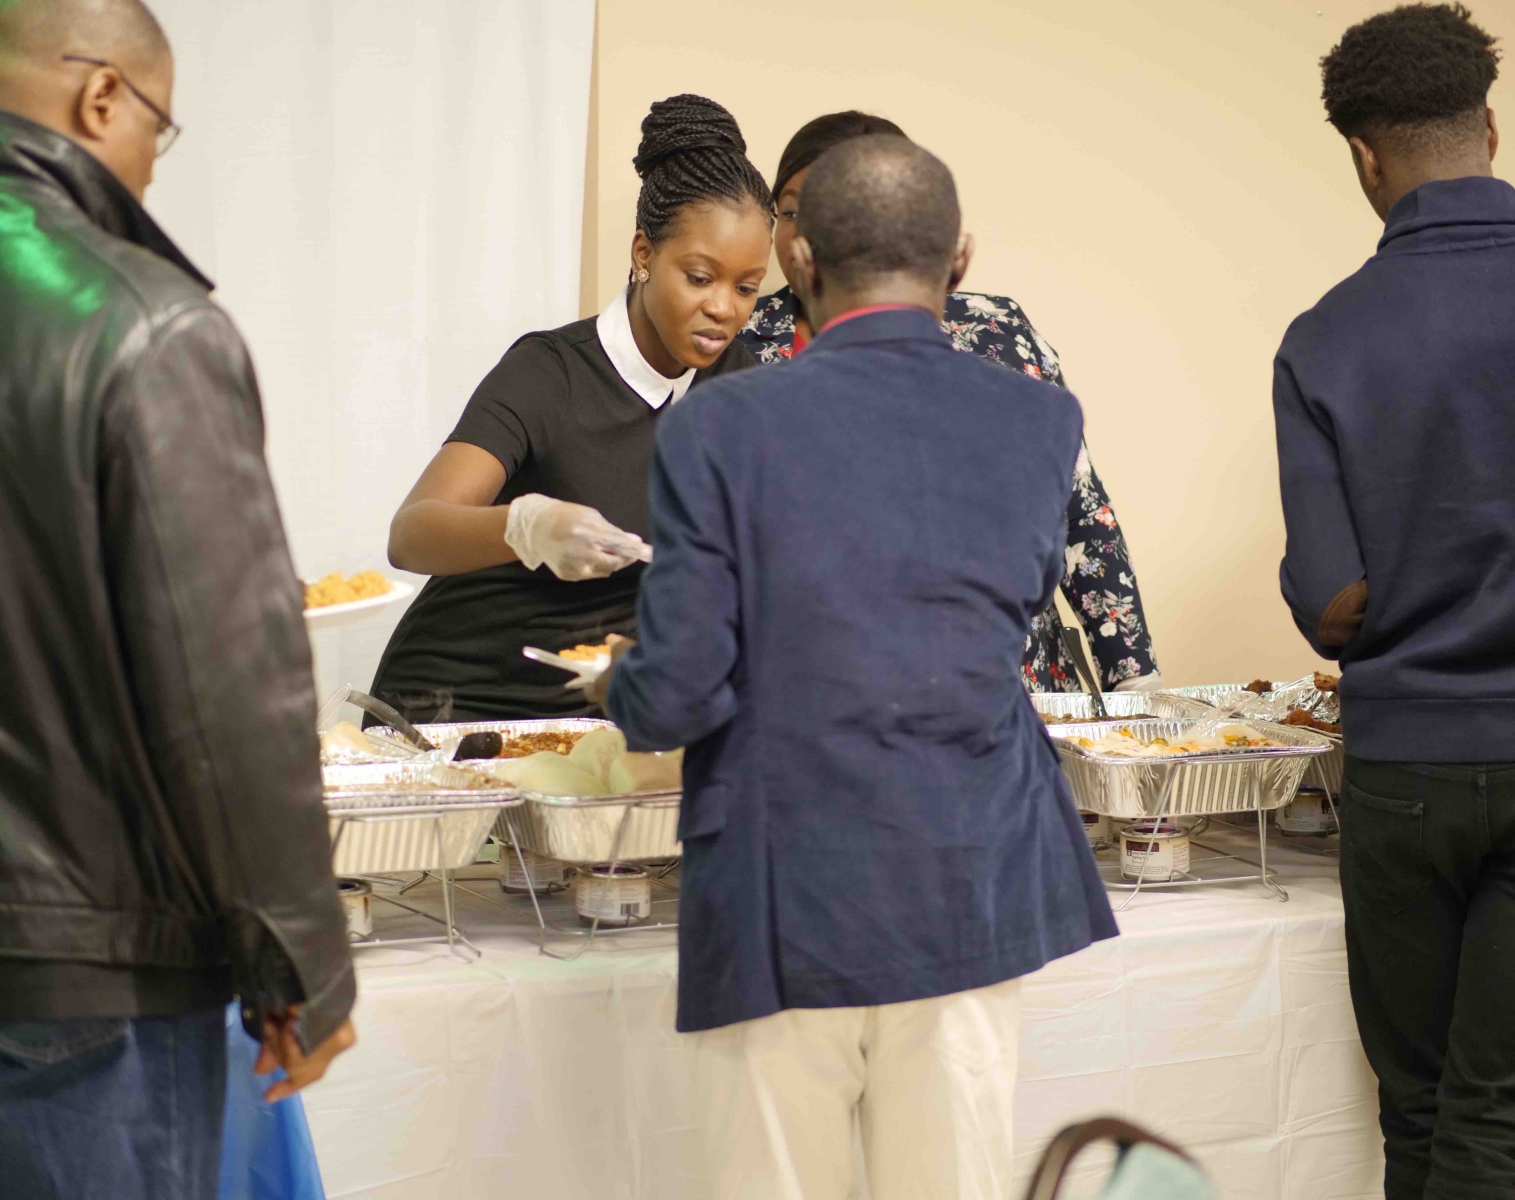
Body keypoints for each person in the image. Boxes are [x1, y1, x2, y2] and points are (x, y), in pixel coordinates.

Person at [591, 135, 1117, 1199]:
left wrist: (617, 683)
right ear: (958, 259)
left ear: (797, 259)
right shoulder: (1039, 418)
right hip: (972, 876)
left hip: (783, 888)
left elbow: (678, 692)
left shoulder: (722, 424)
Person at [0, 2, 356, 1196]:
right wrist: (301, 961)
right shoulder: (145, 325)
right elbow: (228, 693)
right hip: (85, 977)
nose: (153, 164)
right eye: (158, 129)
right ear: (101, 96)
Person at [1275, 6, 1512, 1198]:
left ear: (1363, 158)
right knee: (1497, 1111)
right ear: (1489, 126)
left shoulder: (1324, 338)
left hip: (1407, 764)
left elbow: (1333, 605)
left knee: (1413, 1110)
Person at [371, 95, 772, 724]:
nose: (724, 308)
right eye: (699, 277)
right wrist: (527, 528)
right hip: (459, 700)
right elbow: (411, 535)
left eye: (746, 288)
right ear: (644, 255)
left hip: (601, 706)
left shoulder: (738, 383)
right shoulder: (550, 371)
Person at [739, 111, 1161, 695]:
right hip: (822, 699)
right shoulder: (741, 344)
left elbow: (1079, 510)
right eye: (790, 212)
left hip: (1014, 696)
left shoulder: (997, 330)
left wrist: (1132, 675)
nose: (809, 233)